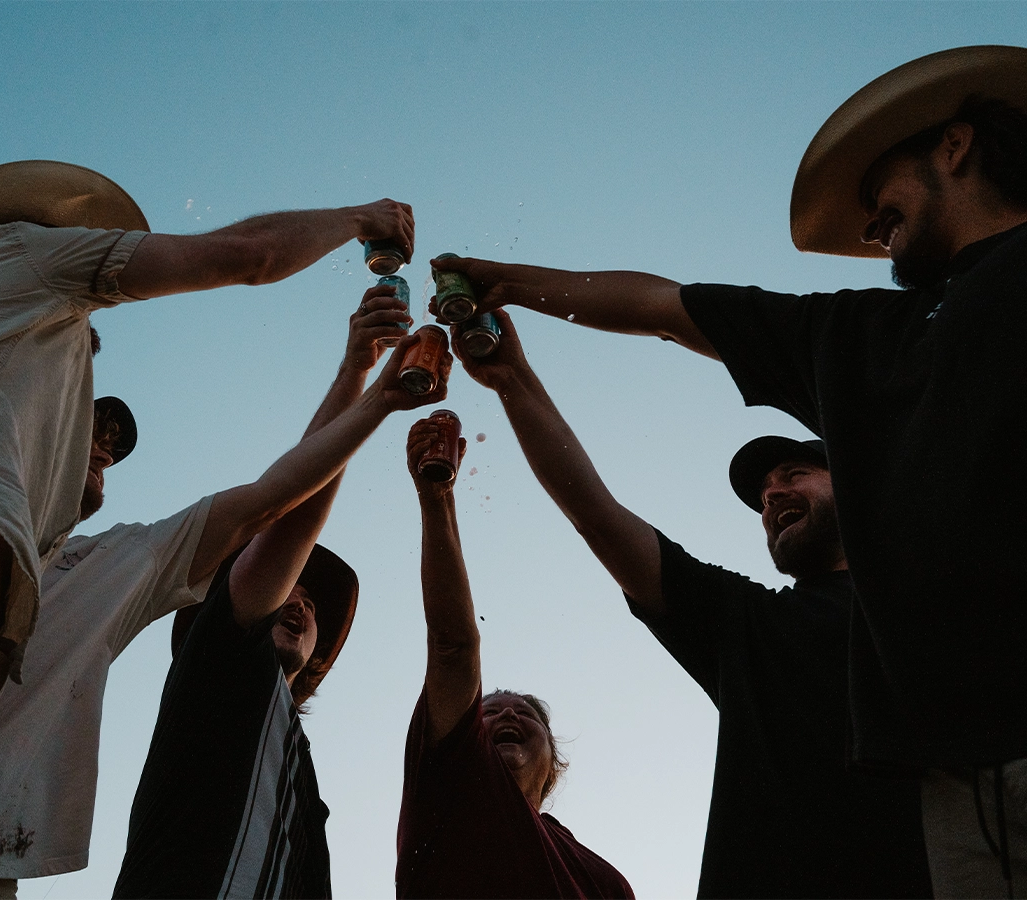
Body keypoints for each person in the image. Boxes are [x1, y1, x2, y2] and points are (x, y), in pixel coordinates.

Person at [430, 46, 1027, 897]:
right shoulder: (863, 341)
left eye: (800, 470)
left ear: (956, 147)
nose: (867, 228)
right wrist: (509, 291)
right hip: (970, 809)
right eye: (763, 489)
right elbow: (665, 310)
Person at [0, 157, 414, 896]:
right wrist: (362, 219)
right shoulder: (11, 252)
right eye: (88, 406)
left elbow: (270, 500)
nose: (93, 421)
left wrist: (366, 385)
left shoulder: (64, 562)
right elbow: (249, 257)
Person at [0, 284, 416, 897]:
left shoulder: (115, 559)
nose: (106, 442)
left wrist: (364, 381)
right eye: (87, 419)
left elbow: (274, 499)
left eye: (112, 438)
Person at [452, 309, 933, 897]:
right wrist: (513, 378)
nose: (772, 493)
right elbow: (597, 515)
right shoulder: (751, 623)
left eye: (795, 472)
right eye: (762, 496)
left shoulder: (945, 599)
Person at [111, 316, 452, 900]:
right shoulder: (218, 667)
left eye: (311, 602)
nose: (298, 602)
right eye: (287, 588)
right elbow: (287, 512)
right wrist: (364, 382)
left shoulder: (299, 772)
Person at [395, 416, 634, 899]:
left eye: (524, 714)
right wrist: (436, 496)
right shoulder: (450, 787)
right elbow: (453, 646)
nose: (505, 712)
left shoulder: (603, 878)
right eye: (488, 711)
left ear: (554, 759)